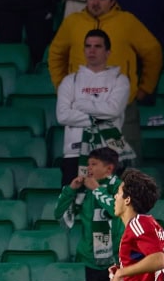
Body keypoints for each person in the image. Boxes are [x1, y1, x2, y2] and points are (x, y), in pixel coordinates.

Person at [48, 0, 163, 163]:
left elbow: (153, 52)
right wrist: (62, 88)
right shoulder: (73, 22)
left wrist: (145, 88)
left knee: (126, 165)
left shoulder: (127, 21)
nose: (95, 2)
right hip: (82, 107)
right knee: (85, 167)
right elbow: (55, 54)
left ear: (112, 0)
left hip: (121, 106)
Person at [54, 147, 127, 281]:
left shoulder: (120, 187)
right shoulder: (84, 192)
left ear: (109, 168)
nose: (89, 169)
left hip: (115, 264)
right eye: (88, 165)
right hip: (91, 262)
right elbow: (59, 214)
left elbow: (116, 211)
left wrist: (97, 190)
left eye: (94, 164)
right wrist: (71, 190)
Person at [56, 29, 131, 185]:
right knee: (74, 207)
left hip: (108, 153)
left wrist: (79, 105)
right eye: (88, 46)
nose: (92, 50)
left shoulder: (120, 80)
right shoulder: (70, 81)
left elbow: (113, 110)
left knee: (108, 206)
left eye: (97, 46)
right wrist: (99, 116)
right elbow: (62, 116)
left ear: (108, 52)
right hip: (74, 153)